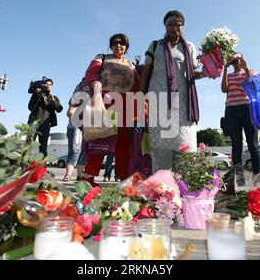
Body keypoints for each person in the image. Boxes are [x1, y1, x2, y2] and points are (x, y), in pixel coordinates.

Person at [140, 10, 203, 173]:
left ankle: (184, 185)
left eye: (178, 25)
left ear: (183, 27)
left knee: (184, 141)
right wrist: (141, 96)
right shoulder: (155, 45)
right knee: (160, 144)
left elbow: (191, 73)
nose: (174, 28)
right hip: (158, 100)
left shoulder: (189, 47)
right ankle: (161, 185)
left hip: (182, 101)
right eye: (170, 24)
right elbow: (146, 72)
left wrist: (206, 73)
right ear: (165, 26)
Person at [80, 33, 140, 185]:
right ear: (111, 45)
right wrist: (95, 83)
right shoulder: (102, 57)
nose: (118, 45)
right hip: (106, 104)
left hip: (125, 107)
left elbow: (137, 86)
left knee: (123, 145)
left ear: (126, 47)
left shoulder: (131, 65)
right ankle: (88, 179)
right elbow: (91, 73)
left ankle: (125, 181)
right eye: (115, 43)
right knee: (101, 140)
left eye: (122, 43)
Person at [221, 52, 260, 176]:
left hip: (247, 108)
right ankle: (238, 178)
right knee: (236, 145)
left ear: (242, 58)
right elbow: (224, 89)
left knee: (253, 144)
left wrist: (245, 68)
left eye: (237, 58)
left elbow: (253, 86)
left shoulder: (250, 72)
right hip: (231, 110)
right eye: (232, 59)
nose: (235, 61)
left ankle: (257, 176)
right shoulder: (230, 75)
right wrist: (225, 70)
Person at [27, 78, 63, 157]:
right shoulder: (37, 94)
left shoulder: (54, 98)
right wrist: (37, 95)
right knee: (28, 145)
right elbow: (30, 107)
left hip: (45, 125)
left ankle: (42, 168)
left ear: (52, 86)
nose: (48, 86)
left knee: (43, 148)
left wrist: (53, 101)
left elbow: (60, 109)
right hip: (34, 123)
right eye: (46, 84)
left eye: (50, 84)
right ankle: (24, 167)